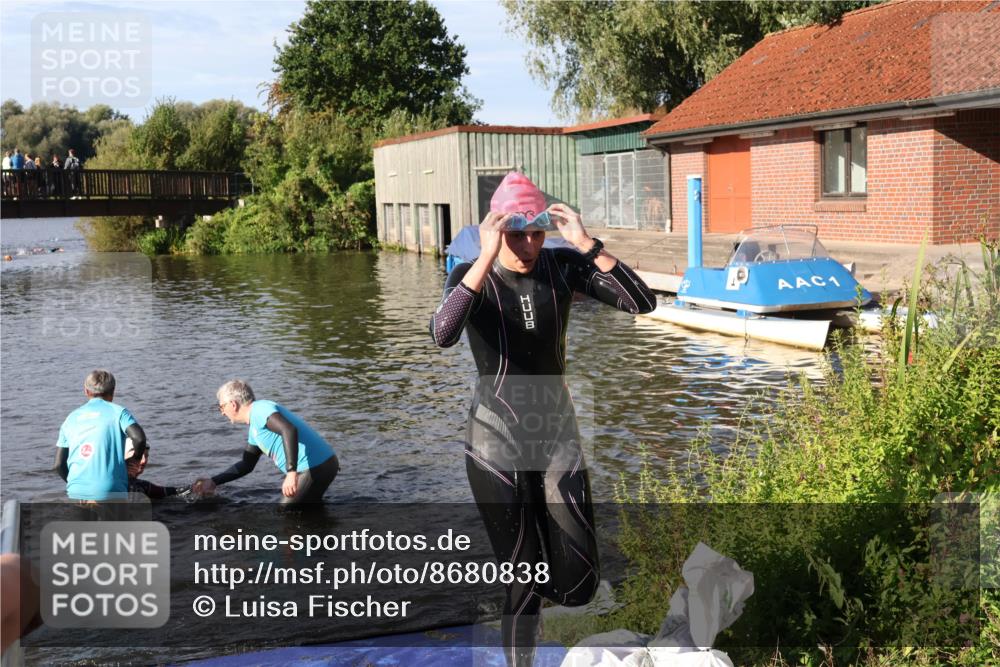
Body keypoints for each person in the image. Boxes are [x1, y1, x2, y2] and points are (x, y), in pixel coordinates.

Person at [429, 171, 656, 666]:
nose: (530, 244)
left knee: (579, 584)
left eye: (537, 232)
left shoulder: (562, 266)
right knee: (525, 578)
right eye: (517, 234)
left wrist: (585, 243)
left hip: (556, 435)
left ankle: (519, 597)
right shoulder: (471, 273)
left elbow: (643, 302)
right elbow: (443, 333)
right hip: (495, 438)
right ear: (496, 230)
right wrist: (486, 255)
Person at [192, 380, 339, 506]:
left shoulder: (260, 409)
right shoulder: (255, 427)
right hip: (320, 465)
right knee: (307, 512)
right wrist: (213, 481)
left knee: (288, 514)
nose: (222, 412)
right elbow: (246, 465)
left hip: (313, 467)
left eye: (222, 407)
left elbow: (288, 430)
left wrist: (291, 473)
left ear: (233, 404)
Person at [54, 370, 148, 502]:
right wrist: (134, 462)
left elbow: (58, 465)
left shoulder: (70, 418)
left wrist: (78, 486)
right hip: (110, 491)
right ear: (113, 391)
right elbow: (139, 438)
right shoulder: (119, 412)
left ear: (86, 391)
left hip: (76, 492)